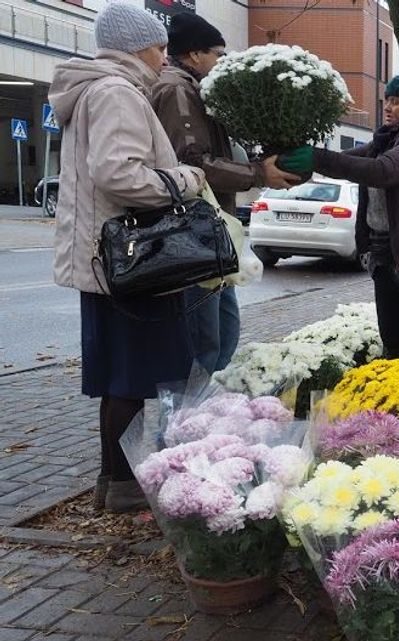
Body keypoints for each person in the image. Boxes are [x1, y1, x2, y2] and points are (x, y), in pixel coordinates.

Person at [49, 2, 206, 512]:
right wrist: (185, 179)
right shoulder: (116, 92)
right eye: (160, 47)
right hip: (133, 264)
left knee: (121, 379)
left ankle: (113, 481)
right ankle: (125, 485)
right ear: (136, 48)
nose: (165, 58)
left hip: (109, 261)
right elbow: (119, 174)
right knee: (134, 378)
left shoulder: (96, 89)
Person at [150, 13, 299, 374]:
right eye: (219, 53)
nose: (223, 61)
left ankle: (205, 401)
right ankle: (191, 406)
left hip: (213, 234)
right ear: (195, 54)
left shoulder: (197, 89)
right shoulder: (178, 90)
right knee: (204, 344)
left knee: (224, 335)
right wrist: (257, 173)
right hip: (194, 233)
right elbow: (193, 163)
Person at [277, 71, 399, 367]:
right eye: (387, 100)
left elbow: (383, 171)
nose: (388, 107)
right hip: (385, 253)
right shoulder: (385, 140)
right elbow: (349, 161)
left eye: (396, 102)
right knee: (395, 346)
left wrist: (317, 159)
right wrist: (300, 161)